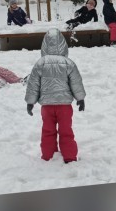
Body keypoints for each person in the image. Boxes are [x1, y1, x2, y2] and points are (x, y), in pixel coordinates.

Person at [25, 28, 86, 164]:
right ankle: (69, 156)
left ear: (45, 44)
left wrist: (30, 102)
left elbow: (33, 84)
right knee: (66, 131)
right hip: (64, 106)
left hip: (47, 106)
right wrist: (80, 98)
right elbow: (76, 82)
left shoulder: (40, 63)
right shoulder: (68, 63)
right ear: (63, 44)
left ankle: (48, 154)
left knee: (48, 130)